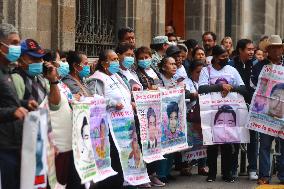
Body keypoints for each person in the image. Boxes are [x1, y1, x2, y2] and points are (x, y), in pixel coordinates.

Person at [86, 49, 143, 189]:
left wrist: (131, 103)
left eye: (117, 59)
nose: (117, 62)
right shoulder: (97, 78)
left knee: (126, 156)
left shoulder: (117, 76)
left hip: (125, 124)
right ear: (105, 63)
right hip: (109, 126)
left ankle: (127, 182)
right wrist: (112, 104)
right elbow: (94, 101)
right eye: (113, 60)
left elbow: (124, 95)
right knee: (115, 159)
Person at [199, 45, 247, 183]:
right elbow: (202, 88)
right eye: (223, 56)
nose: (226, 59)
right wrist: (220, 86)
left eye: (227, 56)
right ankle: (212, 174)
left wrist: (230, 87)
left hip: (229, 111)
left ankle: (227, 173)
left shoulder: (232, 70)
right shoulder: (206, 70)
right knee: (212, 143)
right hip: (211, 111)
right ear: (214, 57)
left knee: (227, 143)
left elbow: (243, 88)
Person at [0, 23, 38, 189]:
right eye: (14, 43)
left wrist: (24, 104)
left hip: (15, 143)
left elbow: (8, 100)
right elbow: (8, 108)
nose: (17, 47)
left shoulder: (7, 71)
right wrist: (12, 112)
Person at [251, 35, 284, 185]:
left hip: (282, 112)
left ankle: (283, 175)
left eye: (278, 47)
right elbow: (253, 84)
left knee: (283, 145)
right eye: (273, 48)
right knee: (264, 145)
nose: (276, 50)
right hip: (264, 112)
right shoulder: (259, 66)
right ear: (267, 50)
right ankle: (264, 175)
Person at [134, 46, 165, 187]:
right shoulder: (136, 73)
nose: (144, 60)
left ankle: (153, 174)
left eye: (146, 57)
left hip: (156, 111)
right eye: (141, 58)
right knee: (144, 143)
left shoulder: (154, 71)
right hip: (144, 113)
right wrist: (148, 90)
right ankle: (144, 175)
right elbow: (138, 91)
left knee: (155, 143)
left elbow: (161, 86)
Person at [228, 38, 258, 180]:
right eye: (249, 49)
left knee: (253, 138)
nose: (252, 52)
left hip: (253, 107)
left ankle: (252, 168)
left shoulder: (256, 65)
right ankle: (233, 169)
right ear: (240, 50)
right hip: (235, 106)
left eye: (253, 49)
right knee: (234, 138)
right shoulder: (231, 65)